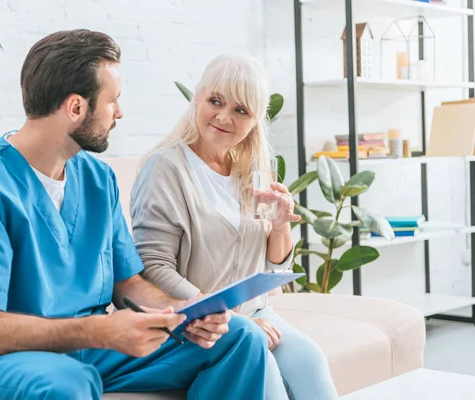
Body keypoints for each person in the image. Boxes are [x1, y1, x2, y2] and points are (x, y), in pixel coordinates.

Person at [0, 31, 270, 400]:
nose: (120, 111)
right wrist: (101, 331)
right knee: (66, 383)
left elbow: (127, 283)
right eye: (113, 100)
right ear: (77, 108)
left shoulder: (97, 179)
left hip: (92, 349)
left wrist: (182, 311)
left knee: (241, 339)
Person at [130, 54, 339, 400]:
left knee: (310, 361)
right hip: (199, 322)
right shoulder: (167, 167)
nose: (224, 117)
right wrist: (224, 316)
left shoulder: (252, 171)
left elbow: (275, 269)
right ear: (198, 97)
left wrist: (279, 228)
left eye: (241, 110)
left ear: (256, 121)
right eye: (215, 101)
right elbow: (152, 267)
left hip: (255, 311)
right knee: (266, 372)